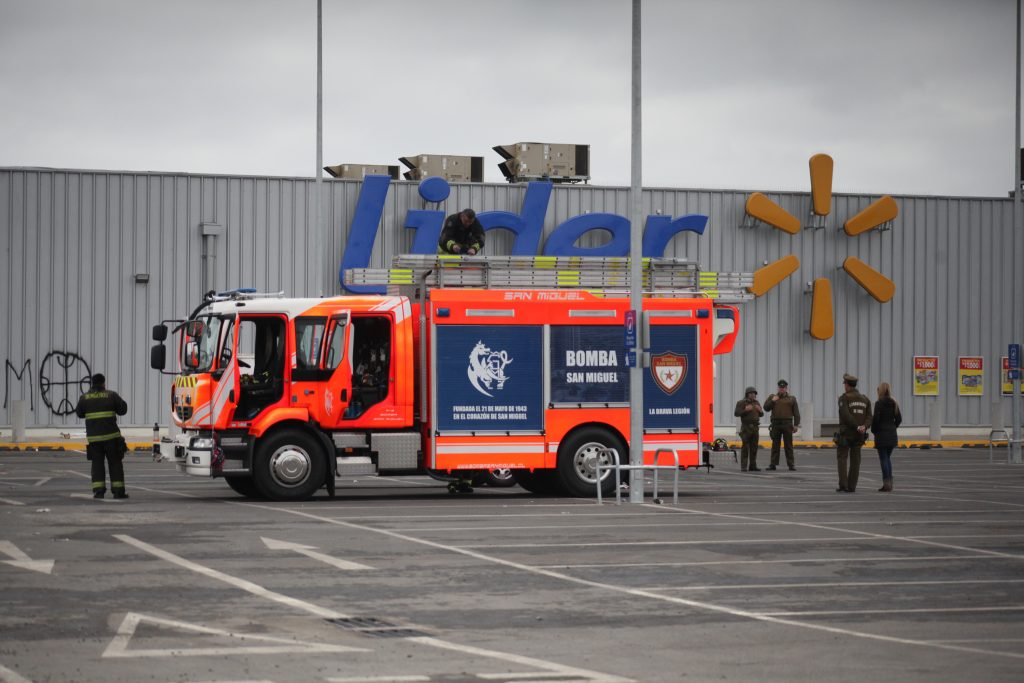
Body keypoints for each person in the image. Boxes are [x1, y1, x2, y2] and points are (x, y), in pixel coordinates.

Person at [75, 373, 129, 499]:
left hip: (94, 439)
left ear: (92, 384)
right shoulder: (111, 395)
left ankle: (99, 491)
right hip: (111, 438)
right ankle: (118, 492)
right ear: (104, 383)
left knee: (97, 464)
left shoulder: (84, 398)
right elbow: (123, 410)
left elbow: (79, 413)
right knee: (115, 463)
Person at [836, 373, 872, 493]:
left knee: (842, 458)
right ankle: (852, 486)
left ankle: (843, 485)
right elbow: (869, 417)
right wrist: (863, 427)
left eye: (844, 384)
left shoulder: (844, 398)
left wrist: (857, 426)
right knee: (856, 460)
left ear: (847, 385)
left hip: (846, 433)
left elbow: (846, 415)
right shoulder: (865, 399)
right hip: (860, 434)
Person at [871, 381, 902, 492]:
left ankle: (887, 483)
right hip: (892, 434)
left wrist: (874, 430)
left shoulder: (879, 403)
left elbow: (876, 420)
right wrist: (893, 427)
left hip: (881, 435)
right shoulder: (894, 403)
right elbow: (899, 419)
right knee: (887, 458)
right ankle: (889, 482)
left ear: (880, 391)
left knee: (884, 459)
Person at [763, 379, 800, 471]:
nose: (782, 389)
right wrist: (772, 401)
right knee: (775, 445)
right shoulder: (773, 397)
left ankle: (791, 464)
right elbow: (766, 408)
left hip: (787, 424)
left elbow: (796, 413)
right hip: (776, 424)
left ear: (786, 388)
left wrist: (796, 425)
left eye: (783, 387)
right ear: (778, 388)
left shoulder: (791, 398)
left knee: (788, 445)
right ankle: (773, 464)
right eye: (780, 387)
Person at [734, 386, 764, 472]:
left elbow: (761, 415)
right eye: (751, 393)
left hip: (755, 427)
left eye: (754, 393)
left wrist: (760, 411)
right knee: (745, 447)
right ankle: (744, 466)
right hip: (746, 427)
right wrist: (745, 410)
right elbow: (736, 413)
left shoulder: (756, 402)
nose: (753, 395)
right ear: (747, 394)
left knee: (754, 448)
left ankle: (753, 465)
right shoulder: (741, 403)